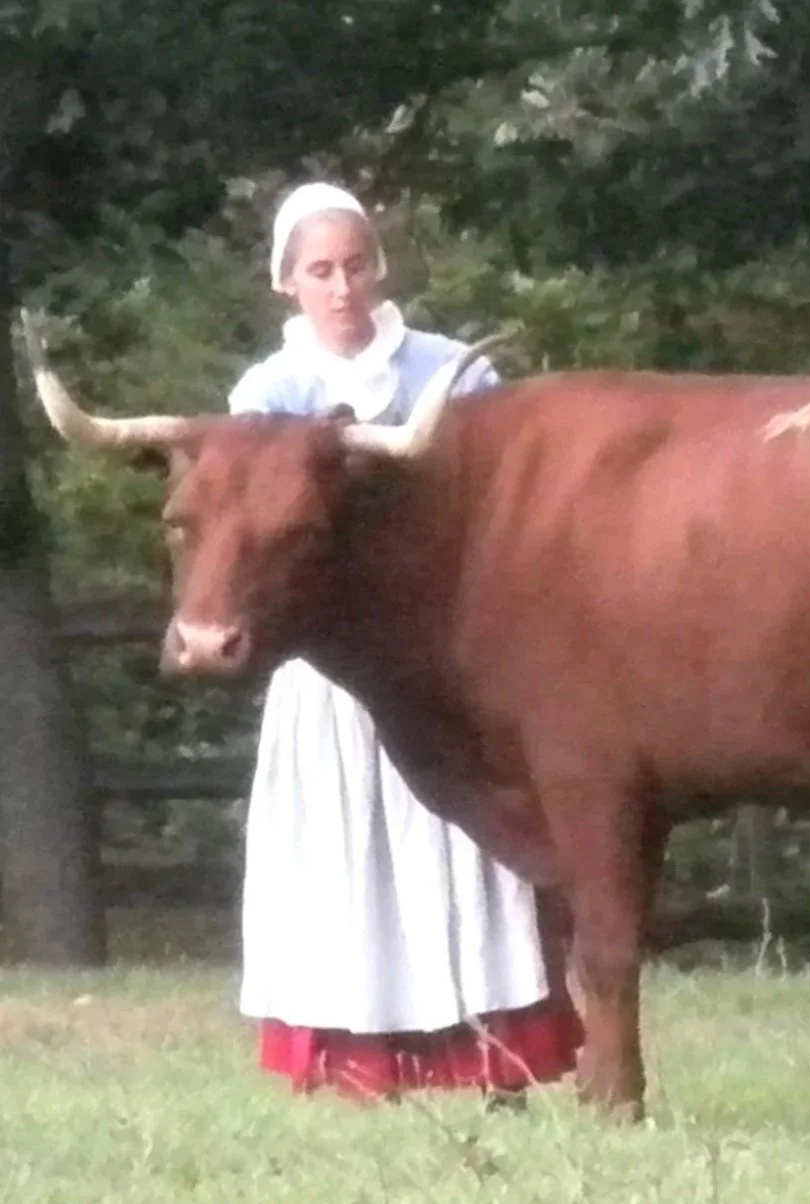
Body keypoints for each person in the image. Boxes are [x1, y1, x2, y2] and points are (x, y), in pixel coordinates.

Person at [228, 181, 581, 1104]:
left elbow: (505, 501)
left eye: (355, 264)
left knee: (465, 844)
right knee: (346, 858)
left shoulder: (452, 372)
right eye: (319, 270)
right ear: (287, 283)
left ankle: (491, 1055)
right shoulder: (266, 394)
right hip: (331, 670)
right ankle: (355, 1064)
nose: (340, 286)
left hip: (447, 656)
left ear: (378, 267)